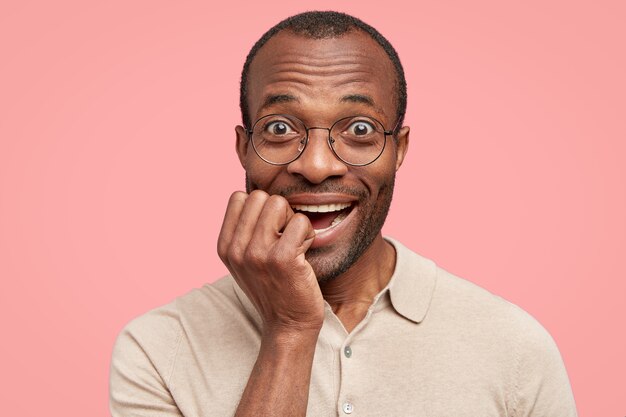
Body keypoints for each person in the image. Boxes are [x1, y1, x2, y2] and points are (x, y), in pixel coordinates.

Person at [109, 11, 577, 417]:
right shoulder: (157, 349)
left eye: (359, 129)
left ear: (399, 150)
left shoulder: (514, 346)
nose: (316, 166)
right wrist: (290, 332)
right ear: (243, 148)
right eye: (279, 128)